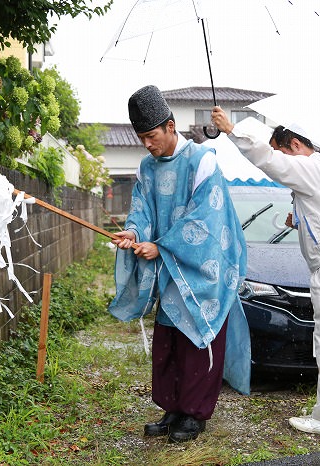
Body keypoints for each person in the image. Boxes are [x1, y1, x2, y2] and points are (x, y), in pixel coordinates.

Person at [211, 107, 320, 435]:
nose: (284, 161)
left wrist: (232, 130)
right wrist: (298, 219)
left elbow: (271, 161)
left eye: (283, 151)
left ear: (295, 145)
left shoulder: (312, 166)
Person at [109, 86, 250, 443]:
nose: (146, 144)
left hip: (205, 267)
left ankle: (195, 415)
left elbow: (206, 219)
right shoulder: (146, 166)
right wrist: (132, 232)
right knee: (169, 341)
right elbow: (141, 207)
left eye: (151, 136)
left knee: (197, 340)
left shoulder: (202, 160)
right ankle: (173, 409)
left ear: (170, 126)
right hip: (172, 267)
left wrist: (160, 247)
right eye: (141, 137)